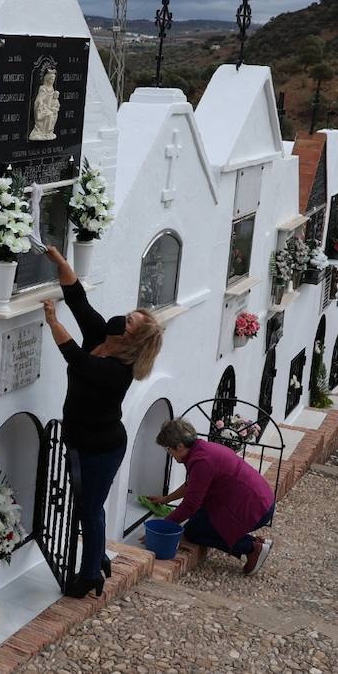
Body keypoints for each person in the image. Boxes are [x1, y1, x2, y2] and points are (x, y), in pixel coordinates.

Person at [40, 246, 164, 597]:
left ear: (132, 338)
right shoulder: (102, 337)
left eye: (128, 322)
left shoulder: (118, 371)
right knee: (87, 507)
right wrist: (61, 263)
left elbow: (78, 361)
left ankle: (91, 573)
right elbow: (78, 300)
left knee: (89, 509)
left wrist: (53, 322)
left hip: (101, 446)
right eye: (128, 315)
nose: (121, 319)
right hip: (81, 438)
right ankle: (97, 559)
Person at [146, 418, 275, 575]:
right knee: (198, 522)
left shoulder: (202, 461)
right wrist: (166, 499)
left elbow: (190, 505)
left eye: (168, 449)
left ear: (180, 446)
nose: (170, 454)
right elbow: (192, 485)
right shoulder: (202, 450)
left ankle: (251, 548)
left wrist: (163, 528)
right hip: (259, 500)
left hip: (256, 509)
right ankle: (253, 541)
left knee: (194, 532)